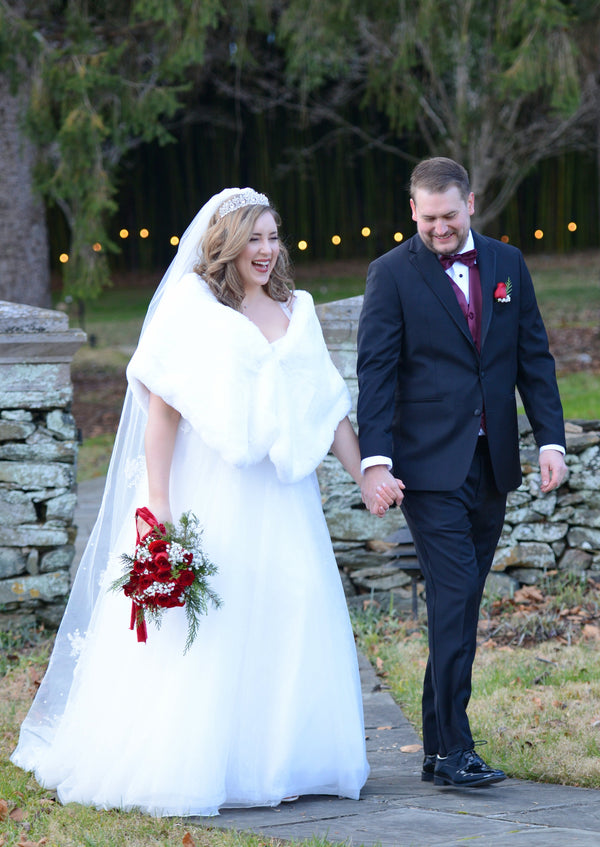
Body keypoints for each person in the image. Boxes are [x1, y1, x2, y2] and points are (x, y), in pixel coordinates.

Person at [12, 187, 391, 816]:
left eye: (273, 237)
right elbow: (163, 412)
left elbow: (328, 409)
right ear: (227, 243)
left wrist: (365, 475)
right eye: (254, 238)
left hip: (284, 499)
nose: (266, 250)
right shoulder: (193, 309)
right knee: (214, 622)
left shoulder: (297, 310)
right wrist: (157, 501)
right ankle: (202, 762)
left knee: (288, 609)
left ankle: (285, 758)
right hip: (210, 490)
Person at [357, 158, 567, 788]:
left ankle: (434, 747)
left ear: (470, 203)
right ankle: (455, 750)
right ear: (412, 212)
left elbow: (534, 356)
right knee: (455, 597)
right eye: (428, 219)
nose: (440, 228)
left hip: (493, 460)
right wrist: (376, 460)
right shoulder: (391, 274)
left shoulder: (507, 264)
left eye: (450, 216)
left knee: (461, 601)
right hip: (427, 468)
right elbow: (377, 371)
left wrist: (550, 440)